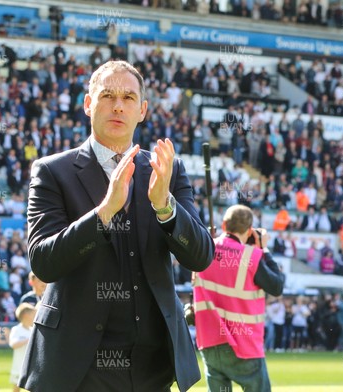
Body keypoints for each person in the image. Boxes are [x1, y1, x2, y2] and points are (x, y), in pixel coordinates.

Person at [19, 60, 214, 392]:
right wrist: (104, 212)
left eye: (128, 97)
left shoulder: (167, 170)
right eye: (107, 95)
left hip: (152, 367)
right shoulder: (53, 171)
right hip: (77, 366)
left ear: (143, 110)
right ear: (87, 103)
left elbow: (201, 257)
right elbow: (43, 262)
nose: (118, 105)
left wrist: (164, 206)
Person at [194, 204, 284, 392]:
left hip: (209, 341)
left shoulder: (204, 249)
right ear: (250, 230)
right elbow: (276, 286)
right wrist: (264, 249)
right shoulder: (252, 255)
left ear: (224, 225)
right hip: (244, 344)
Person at [10, 303, 36, 392]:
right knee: (16, 387)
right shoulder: (16, 330)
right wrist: (27, 340)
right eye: (33, 314)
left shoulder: (33, 330)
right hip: (18, 365)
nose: (35, 317)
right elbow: (13, 344)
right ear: (26, 315)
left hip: (32, 365)